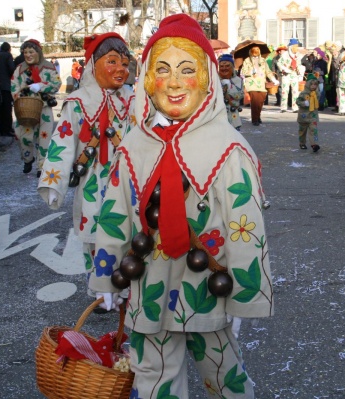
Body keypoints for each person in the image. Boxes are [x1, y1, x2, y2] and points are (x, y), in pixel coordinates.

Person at [88, 13, 273, 398]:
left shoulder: (227, 148)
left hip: (206, 285)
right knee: (152, 375)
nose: (173, 82)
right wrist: (107, 276)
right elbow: (114, 216)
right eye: (163, 69)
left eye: (186, 69)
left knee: (222, 373)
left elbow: (246, 225)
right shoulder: (135, 147)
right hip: (148, 286)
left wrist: (245, 294)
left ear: (206, 79)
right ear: (149, 79)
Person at [37, 33, 134, 294]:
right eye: (112, 61)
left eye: (125, 64)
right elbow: (63, 142)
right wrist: (53, 182)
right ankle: (99, 287)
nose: (120, 70)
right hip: (93, 177)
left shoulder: (133, 99)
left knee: (127, 230)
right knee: (94, 233)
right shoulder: (78, 101)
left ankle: (126, 284)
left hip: (128, 178)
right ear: (93, 65)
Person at [11, 39, 61, 176]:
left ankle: (41, 166)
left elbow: (57, 84)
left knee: (44, 137)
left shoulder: (48, 67)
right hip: (26, 109)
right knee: (23, 136)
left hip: (44, 108)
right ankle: (28, 158)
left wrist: (41, 86)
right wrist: (19, 95)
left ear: (37, 52)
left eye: (31, 51)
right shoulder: (20, 69)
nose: (28, 54)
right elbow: (14, 85)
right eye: (25, 52)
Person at [241, 44, 278, 126]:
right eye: (254, 51)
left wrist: (273, 79)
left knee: (260, 102)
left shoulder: (263, 60)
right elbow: (242, 72)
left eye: (257, 51)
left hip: (261, 84)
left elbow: (268, 71)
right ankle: (255, 119)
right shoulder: (247, 60)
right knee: (255, 102)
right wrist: (251, 71)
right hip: (252, 83)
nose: (256, 53)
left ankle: (258, 116)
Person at [276, 38, 305, 113]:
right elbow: (279, 63)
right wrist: (285, 68)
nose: (296, 48)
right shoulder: (285, 54)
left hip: (294, 74)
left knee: (295, 91)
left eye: (297, 46)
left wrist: (299, 69)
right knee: (285, 91)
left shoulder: (298, 55)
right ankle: (283, 107)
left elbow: (298, 64)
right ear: (291, 46)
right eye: (295, 46)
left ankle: (295, 107)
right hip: (286, 75)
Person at [0, 42, 15, 138]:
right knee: (7, 109)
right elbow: (12, 69)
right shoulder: (8, 56)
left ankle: (1, 130)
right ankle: (7, 130)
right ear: (9, 49)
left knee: (0, 109)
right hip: (6, 85)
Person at [218, 53, 244, 130]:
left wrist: (229, 86)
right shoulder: (215, 80)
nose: (224, 68)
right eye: (221, 66)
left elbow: (240, 95)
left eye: (227, 66)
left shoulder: (237, 80)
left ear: (232, 67)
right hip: (219, 116)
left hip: (233, 116)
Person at [295, 73, 321, 152]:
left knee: (314, 130)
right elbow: (298, 101)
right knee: (302, 131)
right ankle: (302, 143)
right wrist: (304, 103)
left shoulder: (317, 93)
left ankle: (314, 144)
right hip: (304, 116)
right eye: (311, 84)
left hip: (313, 116)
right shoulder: (303, 93)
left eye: (315, 84)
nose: (313, 86)